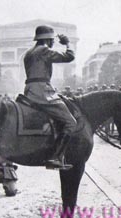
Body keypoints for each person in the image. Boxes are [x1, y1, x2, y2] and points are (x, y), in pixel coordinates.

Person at [23, 25, 76, 170]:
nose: (53, 43)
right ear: (47, 39)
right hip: (42, 92)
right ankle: (56, 157)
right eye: (52, 40)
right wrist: (67, 44)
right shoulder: (44, 50)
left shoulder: (29, 52)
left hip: (29, 90)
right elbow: (69, 57)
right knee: (71, 122)